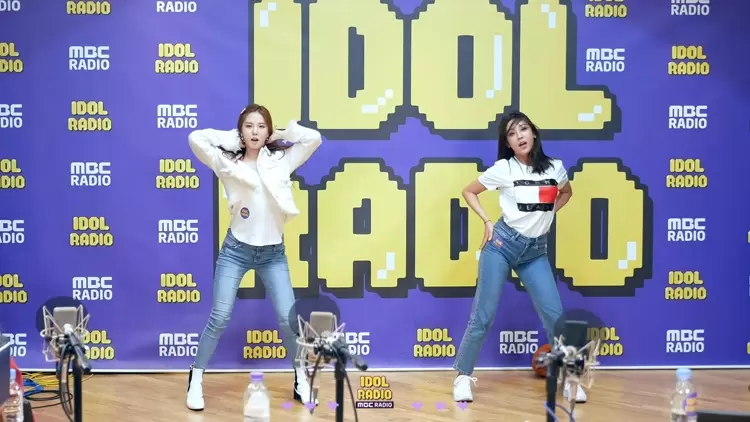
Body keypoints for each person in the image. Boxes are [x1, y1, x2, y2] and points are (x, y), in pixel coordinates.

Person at [185, 104, 323, 411]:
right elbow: (196, 138)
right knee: (220, 317)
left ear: (268, 130)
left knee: (289, 319)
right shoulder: (226, 162)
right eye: (249, 126)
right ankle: (196, 377)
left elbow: (313, 138)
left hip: (273, 254)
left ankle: (301, 379)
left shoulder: (281, 160)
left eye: (261, 126)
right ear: (241, 131)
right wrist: (231, 139)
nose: (255, 132)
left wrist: (282, 134)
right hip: (236, 251)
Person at [451, 111, 587, 404]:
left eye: (523, 129)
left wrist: (547, 213)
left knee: (555, 316)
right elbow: (469, 191)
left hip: (535, 252)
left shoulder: (556, 168)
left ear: (533, 132)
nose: (519, 137)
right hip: (501, 245)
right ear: (508, 143)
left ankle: (569, 379)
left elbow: (566, 192)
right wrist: (487, 222)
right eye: (512, 134)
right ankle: (463, 376)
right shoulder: (504, 169)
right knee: (483, 316)